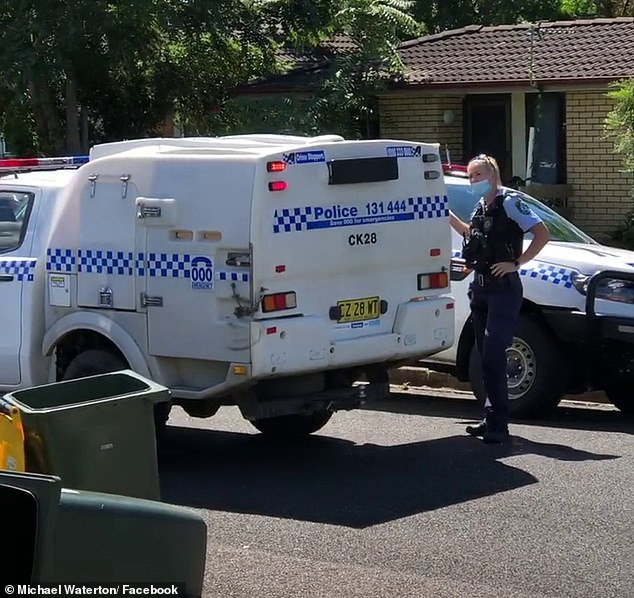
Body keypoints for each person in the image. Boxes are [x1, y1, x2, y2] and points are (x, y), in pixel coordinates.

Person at [448, 154, 550, 444]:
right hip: (480, 288)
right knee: (484, 357)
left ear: (493, 174)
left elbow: (542, 233)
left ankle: (499, 426)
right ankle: (490, 418)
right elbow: (473, 236)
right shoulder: (482, 206)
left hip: (504, 288)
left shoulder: (509, 203)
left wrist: (516, 263)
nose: (473, 182)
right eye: (470, 177)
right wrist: (448, 216)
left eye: (478, 175)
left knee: (494, 353)